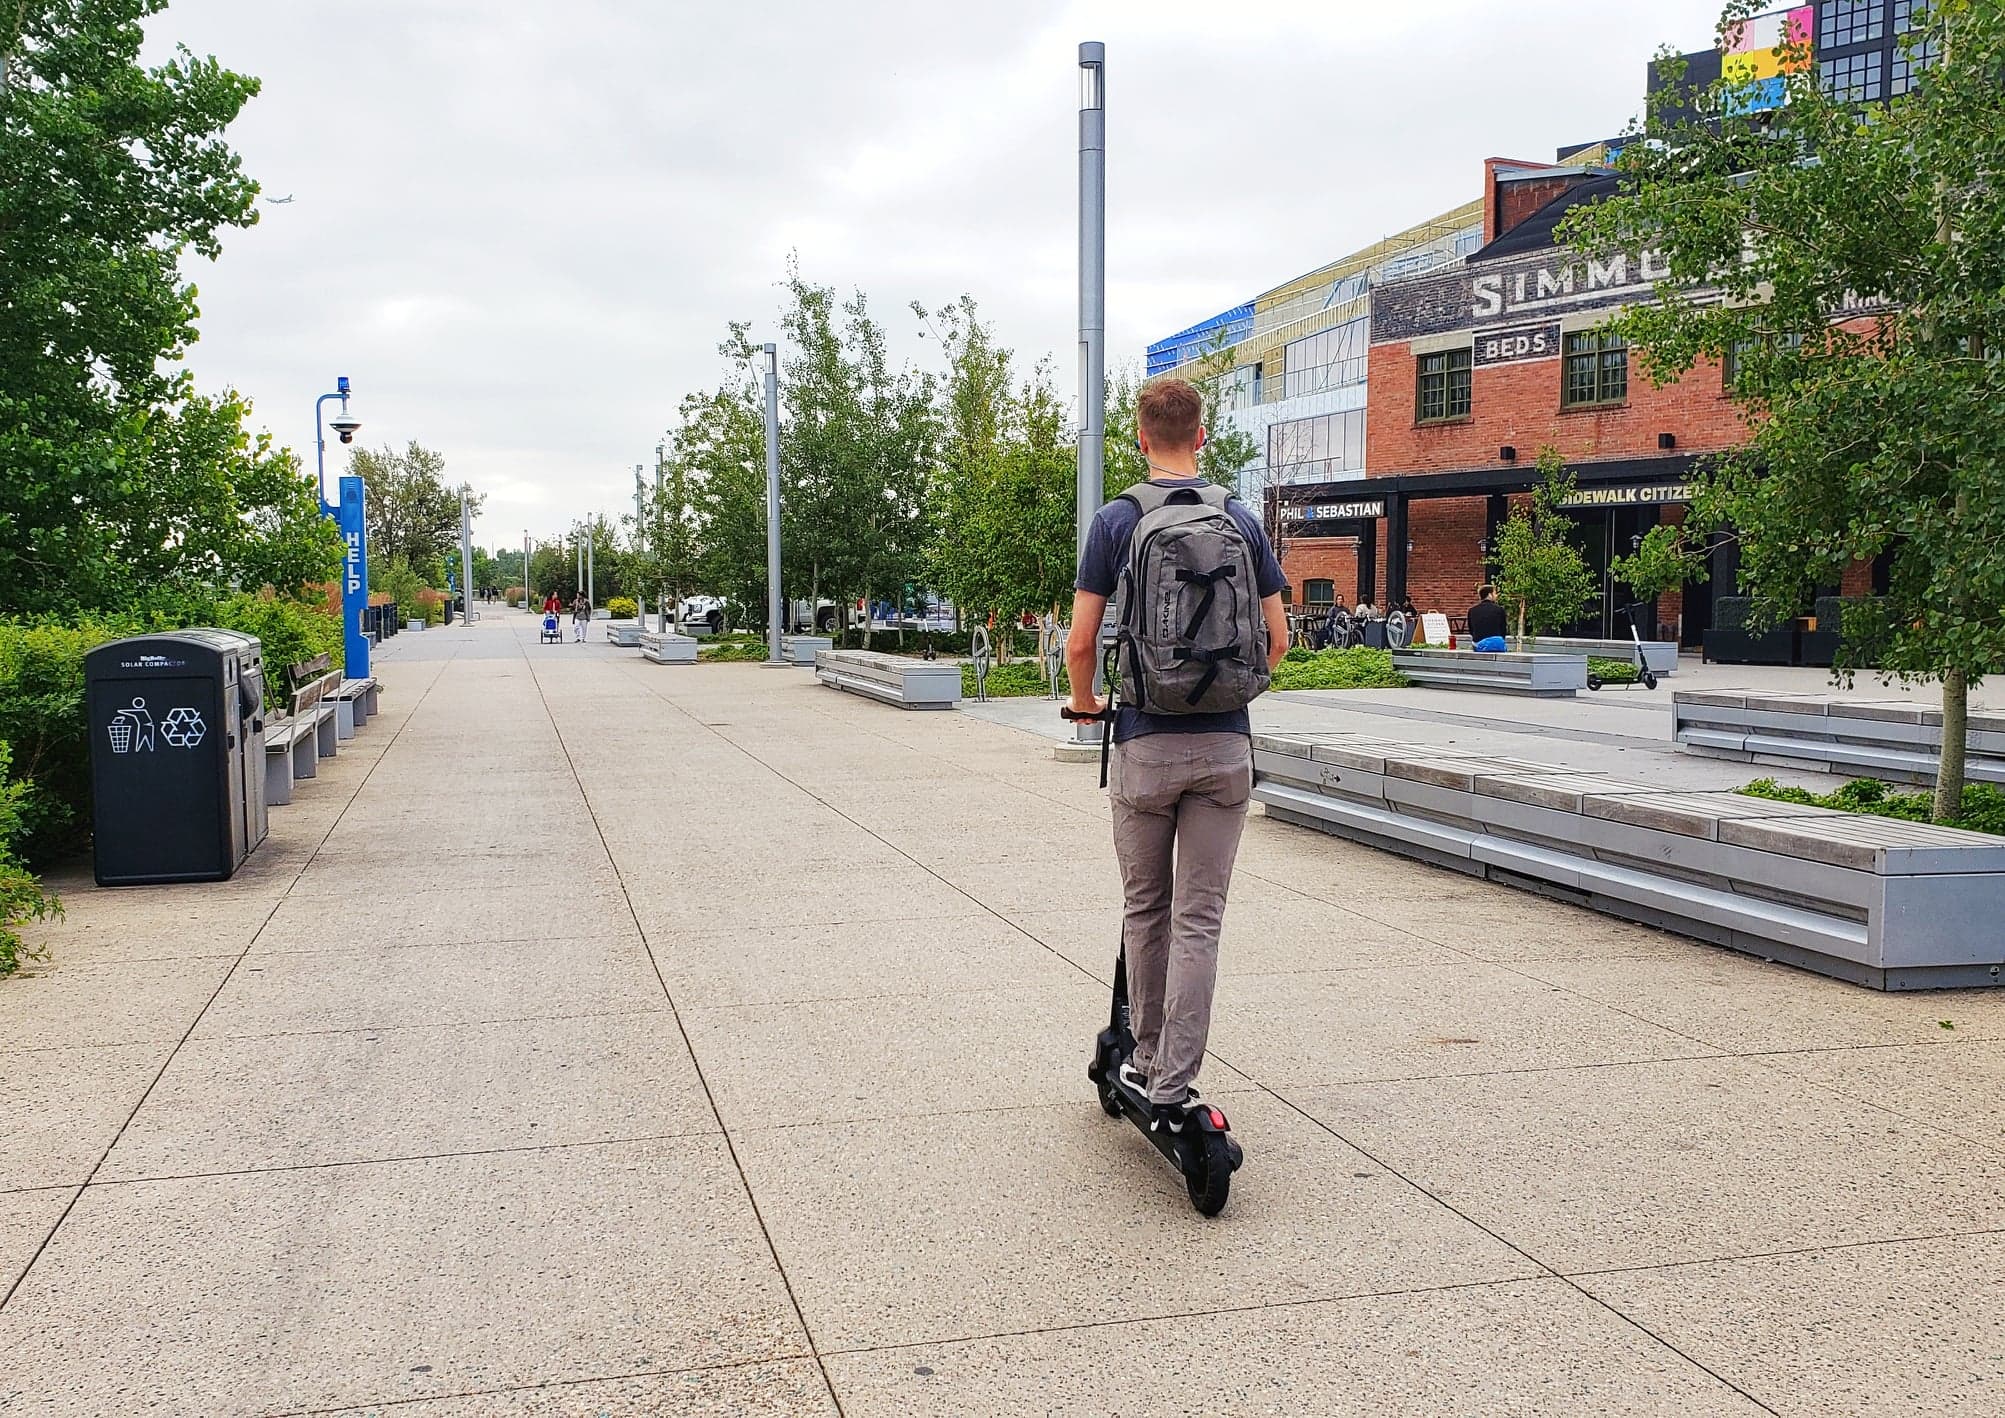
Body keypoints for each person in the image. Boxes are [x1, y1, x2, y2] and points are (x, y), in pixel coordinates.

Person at [1067, 377, 1288, 1131]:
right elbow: (1278, 640)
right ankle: (1173, 1084)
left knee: (1146, 908)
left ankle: (1145, 1053)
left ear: (1138, 437)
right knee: (1200, 918)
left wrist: (1089, 703)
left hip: (1143, 744)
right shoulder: (1240, 520)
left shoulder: (1115, 520)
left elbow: (1078, 645)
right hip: (1224, 746)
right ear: (1202, 438)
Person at [1467, 584, 1509, 652]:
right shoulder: (1500, 610)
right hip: (1497, 643)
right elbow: (1503, 629)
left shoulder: (1472, 611)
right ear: (1489, 595)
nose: (1496, 596)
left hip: (1479, 644)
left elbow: (1471, 630)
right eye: (1495, 593)